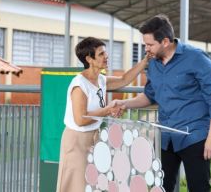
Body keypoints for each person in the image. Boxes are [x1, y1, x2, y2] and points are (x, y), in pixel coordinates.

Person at [114, 14, 211, 192]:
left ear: (165, 41)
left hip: (194, 136)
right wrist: (124, 104)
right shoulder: (153, 63)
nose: (146, 49)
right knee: (162, 187)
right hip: (165, 137)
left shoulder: (196, 58)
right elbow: (150, 96)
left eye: (150, 44)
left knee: (199, 188)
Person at [56, 37, 149, 192]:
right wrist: (108, 110)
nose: (106, 56)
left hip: (94, 138)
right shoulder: (80, 85)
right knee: (76, 186)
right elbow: (80, 119)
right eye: (101, 54)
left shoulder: (101, 79)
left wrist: (145, 61)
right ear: (89, 59)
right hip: (77, 141)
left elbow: (124, 79)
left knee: (94, 185)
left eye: (105, 53)